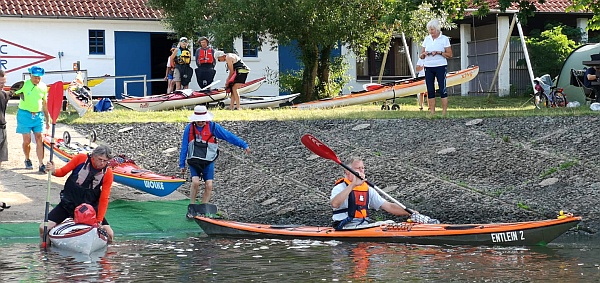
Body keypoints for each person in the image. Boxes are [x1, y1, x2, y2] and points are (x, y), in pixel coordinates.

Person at [179, 105, 250, 218]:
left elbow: (228, 136)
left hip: (208, 160)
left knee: (209, 184)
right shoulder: (189, 128)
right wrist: (181, 163)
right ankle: (191, 207)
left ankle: (203, 208)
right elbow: (184, 146)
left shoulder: (213, 127)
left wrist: (243, 145)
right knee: (195, 182)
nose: (200, 122)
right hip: (194, 161)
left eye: (202, 120)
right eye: (198, 121)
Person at [41, 144, 115, 245]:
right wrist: (53, 170)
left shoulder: (108, 173)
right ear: (93, 156)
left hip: (90, 208)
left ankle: (105, 255)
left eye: (105, 161)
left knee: (110, 234)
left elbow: (104, 198)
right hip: (69, 204)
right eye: (100, 159)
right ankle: (47, 249)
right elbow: (62, 172)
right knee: (43, 228)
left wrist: (99, 220)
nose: (102, 163)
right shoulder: (81, 159)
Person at [330, 157, 411, 230]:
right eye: (358, 168)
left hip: (362, 225)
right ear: (347, 171)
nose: (361, 171)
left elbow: (389, 206)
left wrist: (410, 212)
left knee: (389, 222)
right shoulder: (340, 187)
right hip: (344, 225)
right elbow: (334, 204)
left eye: (363, 168)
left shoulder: (368, 189)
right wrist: (353, 185)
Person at [14, 66, 50, 172]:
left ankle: (41, 163)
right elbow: (12, 92)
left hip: (38, 116)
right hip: (24, 115)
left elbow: (45, 104)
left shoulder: (43, 87)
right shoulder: (24, 84)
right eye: (35, 77)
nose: (37, 79)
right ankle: (27, 159)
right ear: (30, 76)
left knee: (40, 138)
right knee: (27, 140)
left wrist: (48, 118)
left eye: (39, 78)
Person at [420, 19, 452, 116]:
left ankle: (444, 112)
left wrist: (439, 52)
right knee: (430, 89)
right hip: (428, 66)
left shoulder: (444, 39)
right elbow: (421, 55)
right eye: (429, 30)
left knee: (442, 88)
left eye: (432, 30)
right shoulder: (427, 39)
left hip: (440, 66)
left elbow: (450, 54)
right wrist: (424, 54)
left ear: (437, 29)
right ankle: (432, 112)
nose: (431, 32)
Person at [0, 70, 9, 169]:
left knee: (1, 157)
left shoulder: (3, 94)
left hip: (3, 128)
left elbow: (8, 94)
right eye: (1, 83)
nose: (3, 85)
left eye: (4, 83)